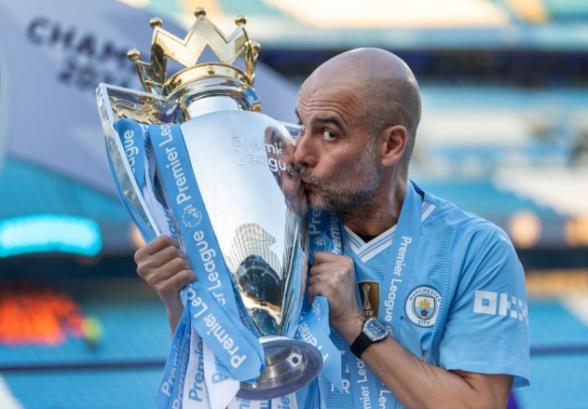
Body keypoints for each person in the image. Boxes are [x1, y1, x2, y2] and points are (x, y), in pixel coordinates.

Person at [134, 48, 529, 408]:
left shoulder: (475, 248)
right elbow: (228, 381)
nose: (301, 152)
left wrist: (355, 325)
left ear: (391, 145)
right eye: (301, 126)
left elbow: (481, 405)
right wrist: (181, 299)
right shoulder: (278, 224)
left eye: (328, 133)